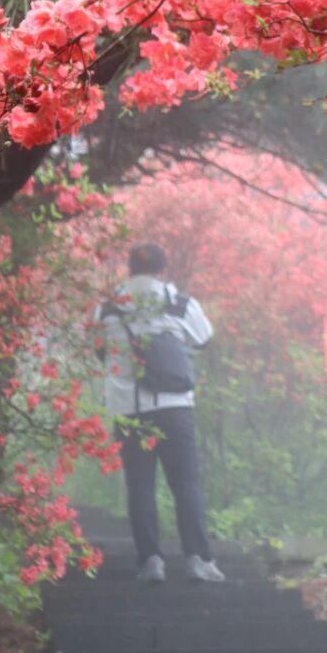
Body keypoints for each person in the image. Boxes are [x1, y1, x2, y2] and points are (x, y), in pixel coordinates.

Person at [94, 241, 225, 582]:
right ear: (162, 269)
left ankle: (151, 560)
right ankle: (199, 558)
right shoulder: (180, 304)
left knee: (140, 485)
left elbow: (99, 351)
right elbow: (204, 338)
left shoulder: (106, 309)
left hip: (129, 409)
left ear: (129, 269)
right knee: (186, 484)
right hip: (174, 408)